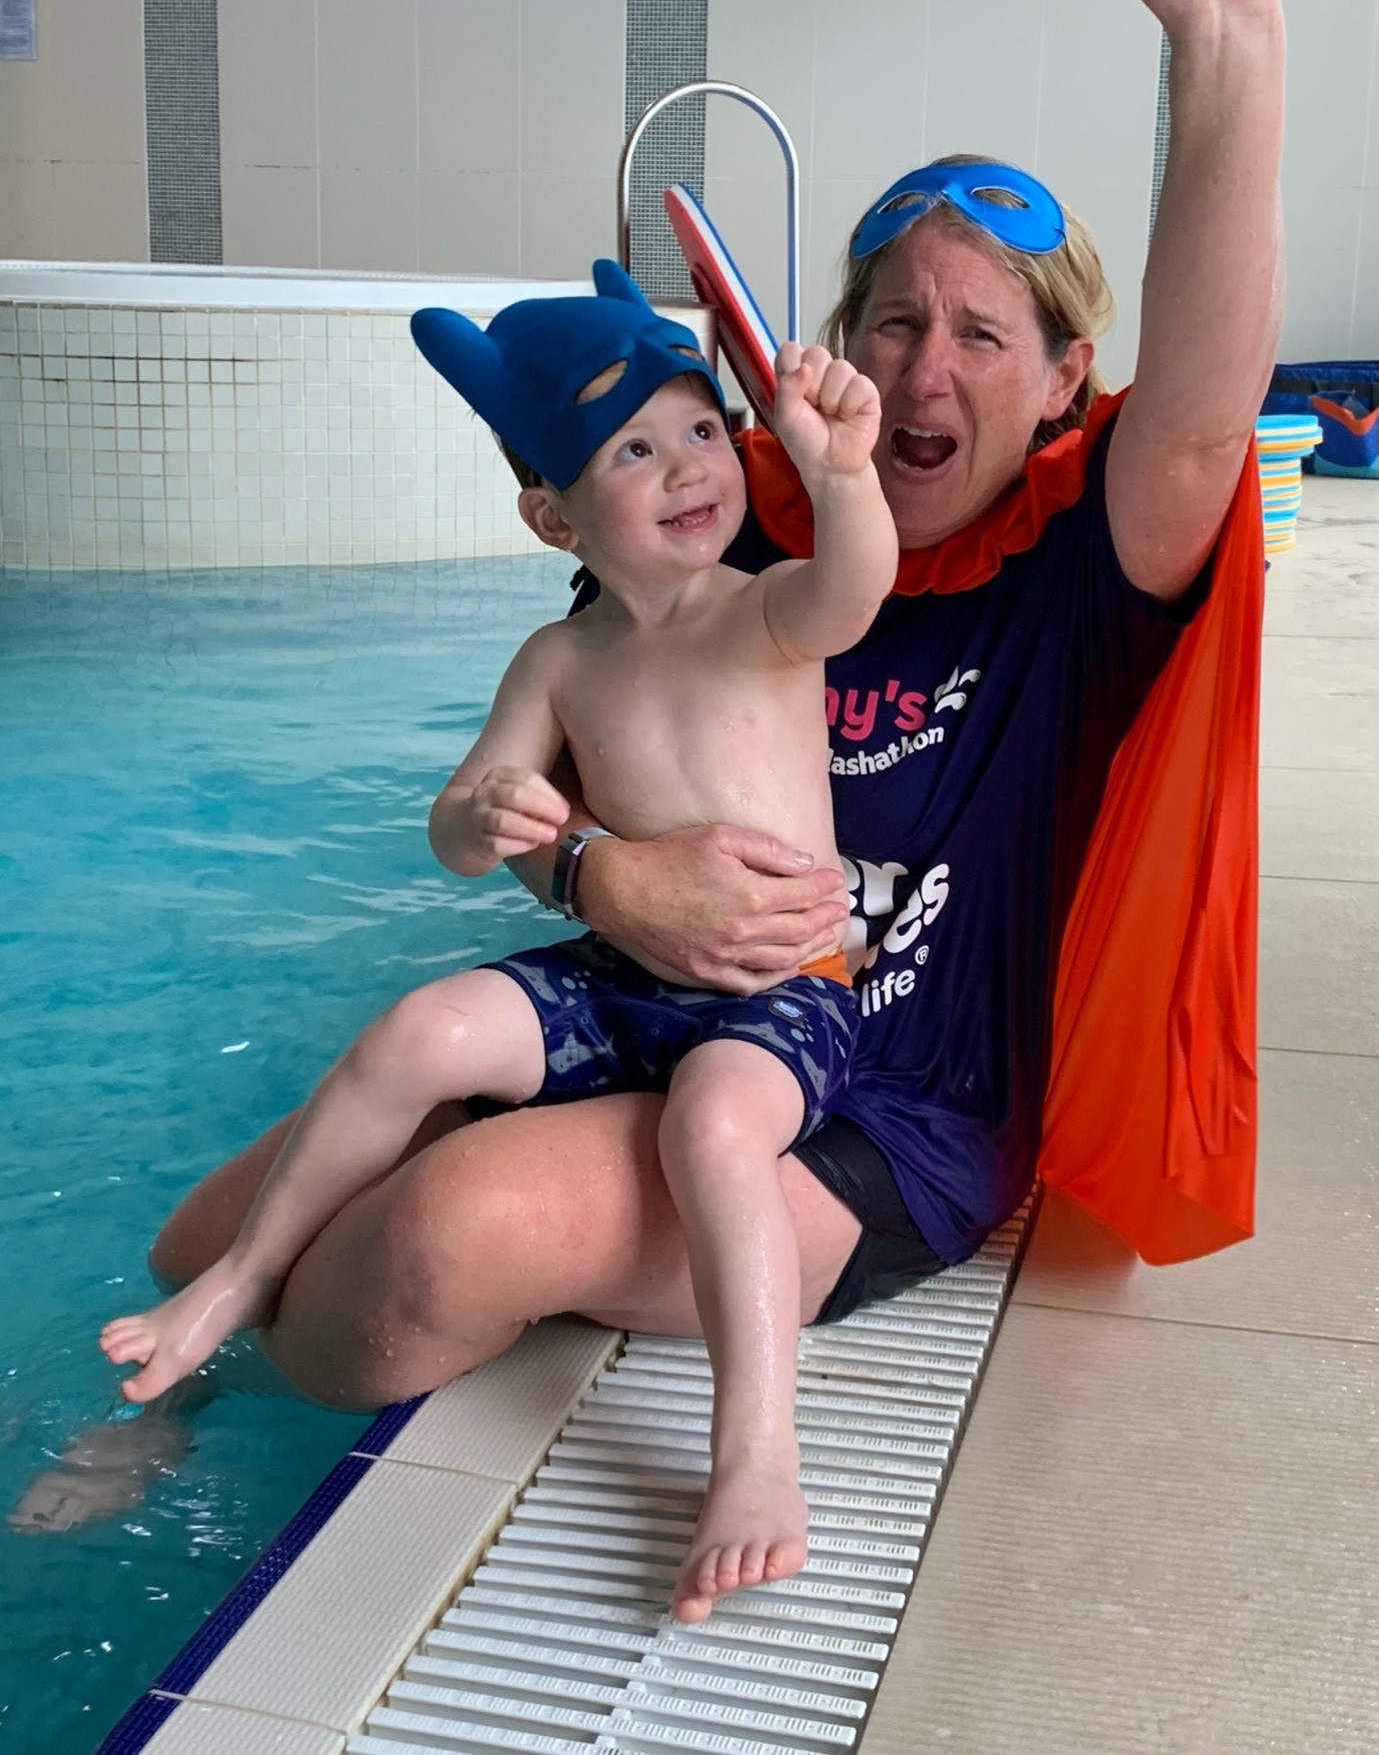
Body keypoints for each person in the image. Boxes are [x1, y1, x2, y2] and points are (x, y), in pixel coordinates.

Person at [141, 0, 1280, 1519]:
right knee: (205, 1221)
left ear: (1062, 383)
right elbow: (541, 783)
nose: (924, 371)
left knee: (440, 1235)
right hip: (655, 1010)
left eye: (984, 333)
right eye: (893, 320)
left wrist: (1223, 28)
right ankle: (168, 1406)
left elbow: (1202, 427)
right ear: (833, 352)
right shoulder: (734, 525)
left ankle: (258, 1395)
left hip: (880, 1096)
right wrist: (611, 876)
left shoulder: (1077, 564)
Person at [100, 261, 899, 1622]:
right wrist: (485, 811)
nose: (686, 465)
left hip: (783, 992)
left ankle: (757, 1452)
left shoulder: (765, 612)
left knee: (712, 1133)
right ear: (551, 512)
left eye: (699, 427)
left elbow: (861, 587)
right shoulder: (556, 662)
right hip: (622, 976)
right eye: (630, 449)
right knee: (421, 1033)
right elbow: (462, 832)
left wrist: (845, 472)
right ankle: (240, 1280)